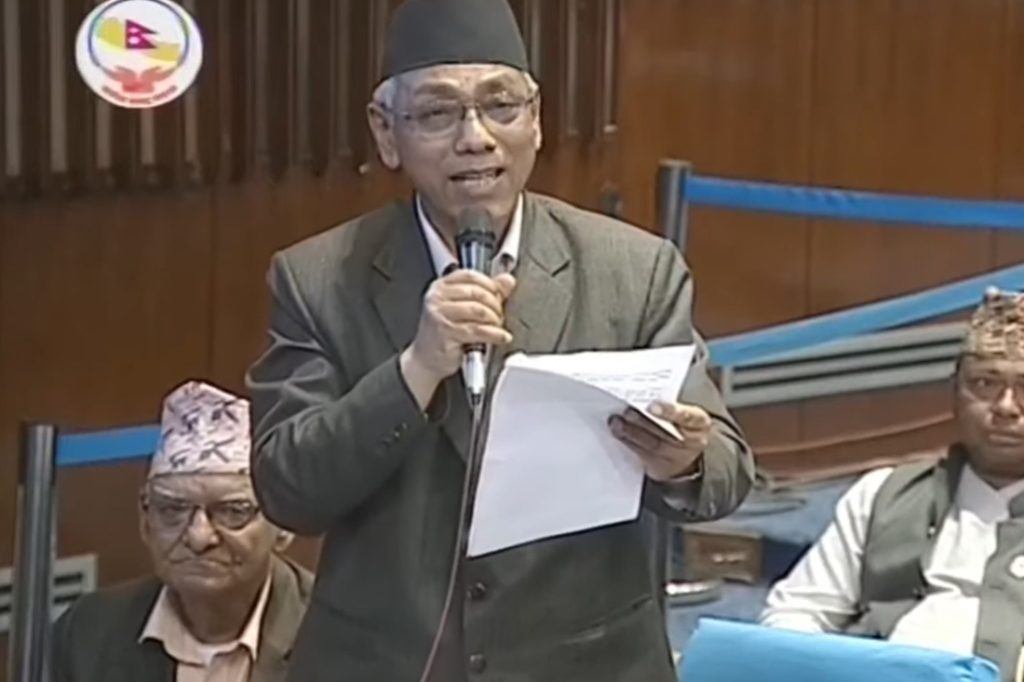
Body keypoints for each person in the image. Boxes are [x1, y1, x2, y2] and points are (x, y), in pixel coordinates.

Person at [244, 0, 754, 679]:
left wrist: (682, 462)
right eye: (438, 113)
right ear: (386, 132)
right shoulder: (318, 279)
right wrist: (416, 369)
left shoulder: (633, 271)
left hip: (585, 660)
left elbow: (727, 470)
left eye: (501, 106)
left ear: (536, 120)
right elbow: (287, 489)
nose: (476, 138)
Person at [760, 288, 1024, 682]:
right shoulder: (883, 495)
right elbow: (795, 613)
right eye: (984, 383)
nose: (1005, 406)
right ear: (954, 392)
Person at [51, 381, 313, 682]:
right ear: (145, 520)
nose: (199, 537)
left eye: (233, 511)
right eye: (172, 510)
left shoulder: (337, 632)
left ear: (282, 523)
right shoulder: (88, 632)